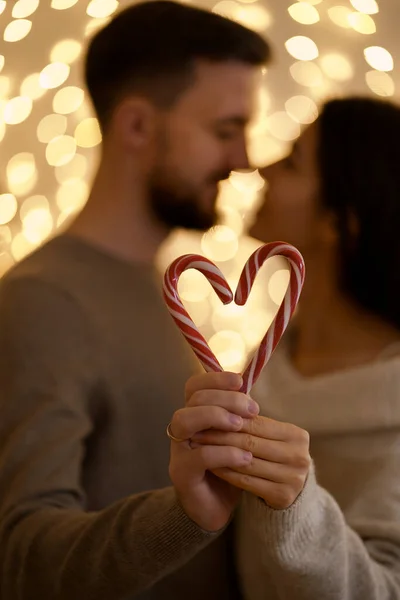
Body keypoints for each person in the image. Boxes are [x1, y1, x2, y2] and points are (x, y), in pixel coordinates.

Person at [0, 3, 270, 599]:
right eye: (225, 130)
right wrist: (184, 516)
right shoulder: (44, 301)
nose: (243, 159)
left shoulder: (159, 285)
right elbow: (19, 555)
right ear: (139, 127)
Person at [178, 97, 400, 599]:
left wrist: (300, 508)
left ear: (338, 221)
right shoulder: (272, 356)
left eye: (294, 160)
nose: (262, 167)